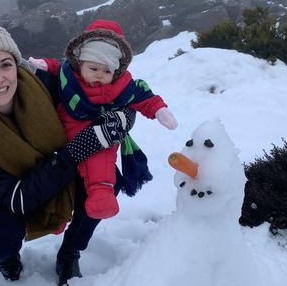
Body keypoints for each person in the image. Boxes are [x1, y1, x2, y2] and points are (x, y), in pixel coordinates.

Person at [0, 0, 136, 286]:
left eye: (6, 64)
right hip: (6, 190)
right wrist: (76, 152)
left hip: (54, 166)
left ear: (17, 64)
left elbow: (105, 95)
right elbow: (13, 197)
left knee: (108, 182)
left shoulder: (44, 82)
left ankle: (70, 252)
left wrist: (124, 118)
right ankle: (8, 254)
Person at [29, 20, 177, 220]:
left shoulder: (122, 85)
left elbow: (143, 96)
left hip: (98, 127)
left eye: (107, 71)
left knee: (102, 155)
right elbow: (57, 67)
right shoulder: (68, 74)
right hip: (64, 126)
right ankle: (55, 218)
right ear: (79, 63)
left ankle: (102, 193)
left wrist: (159, 109)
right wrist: (44, 65)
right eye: (93, 68)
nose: (99, 75)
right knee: (56, 174)